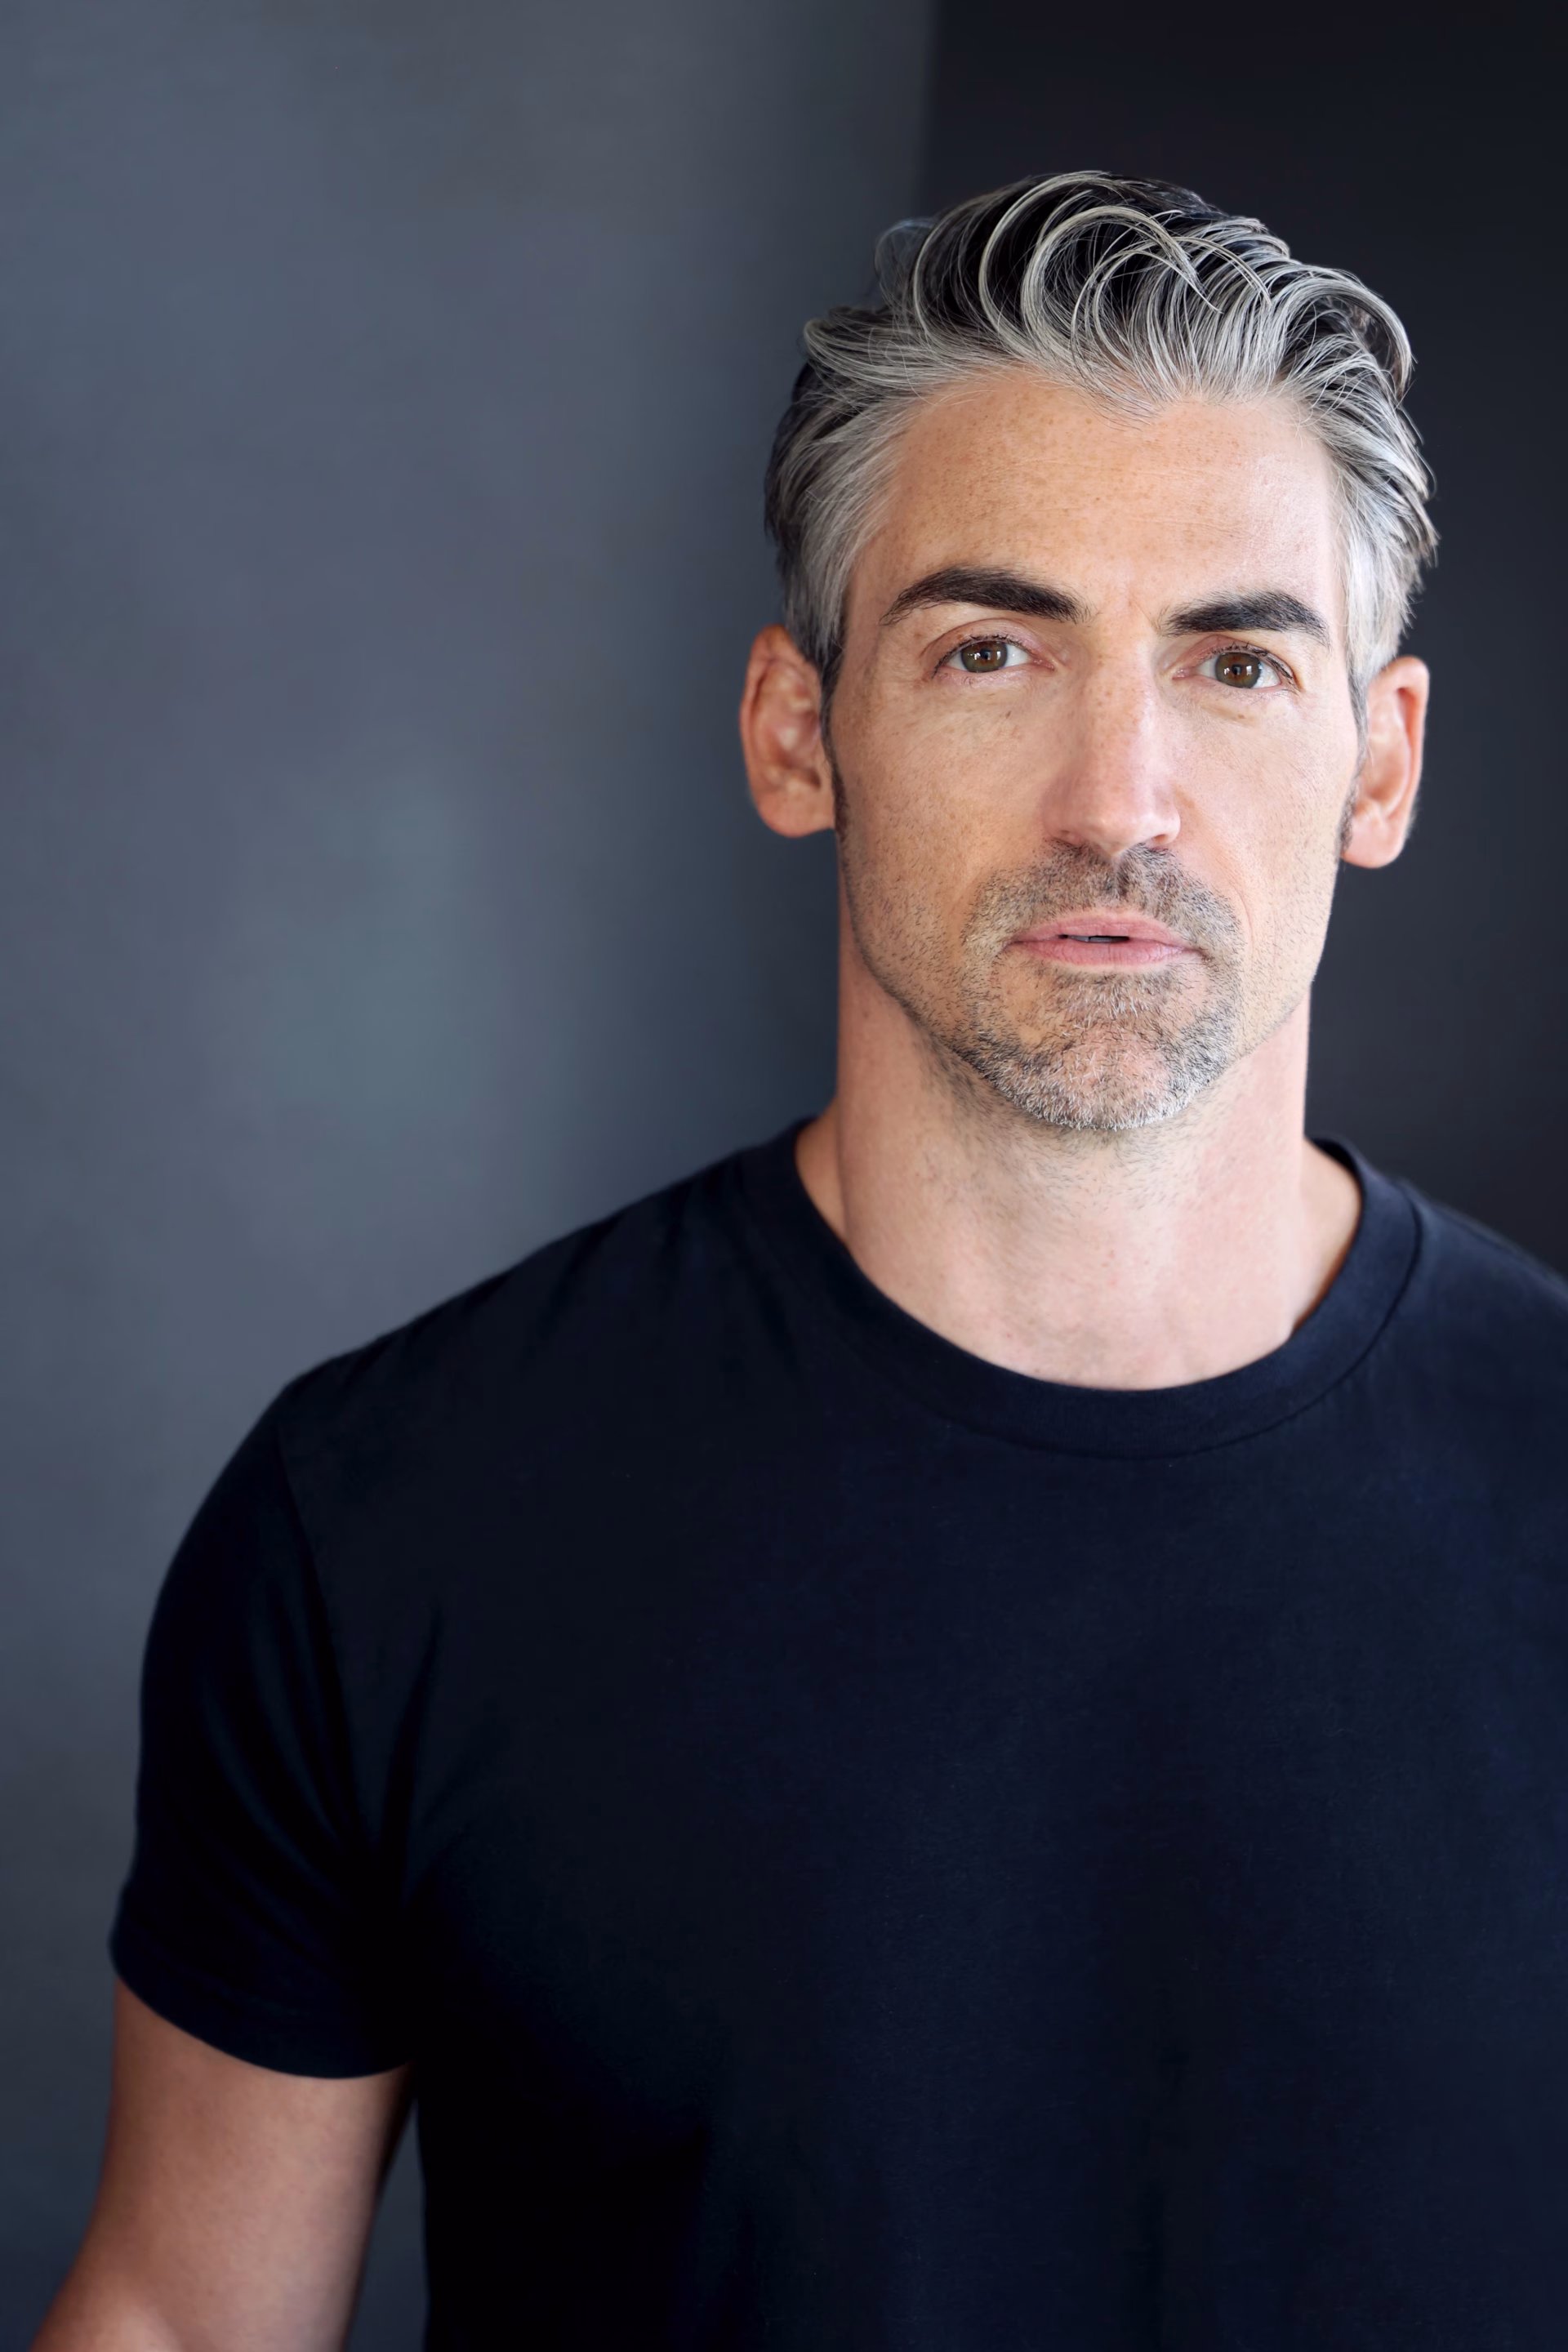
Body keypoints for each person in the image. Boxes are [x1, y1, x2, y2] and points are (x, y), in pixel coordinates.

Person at [37, 172, 1568, 2352]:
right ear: (796, 731)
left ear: (1380, 764)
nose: (1119, 796)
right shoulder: (393, 1519)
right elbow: (185, 2322)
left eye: (1236, 661)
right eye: (992, 649)